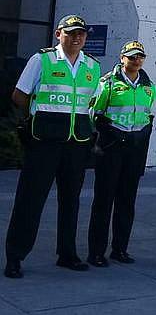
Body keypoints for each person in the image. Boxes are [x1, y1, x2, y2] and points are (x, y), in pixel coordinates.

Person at [4, 15, 101, 278]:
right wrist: (40, 118)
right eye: (71, 33)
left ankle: (67, 254)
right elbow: (19, 95)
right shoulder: (42, 60)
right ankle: (15, 256)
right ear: (58, 34)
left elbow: (89, 103)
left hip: (76, 143)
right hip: (44, 141)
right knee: (30, 199)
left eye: (81, 34)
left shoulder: (92, 66)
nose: (77, 38)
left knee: (71, 200)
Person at [87, 41, 156, 267]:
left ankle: (120, 249)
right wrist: (106, 132)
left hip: (134, 149)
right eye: (132, 56)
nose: (136, 61)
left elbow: (147, 114)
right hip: (111, 148)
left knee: (127, 200)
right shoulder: (107, 83)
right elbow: (93, 112)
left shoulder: (149, 86)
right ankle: (96, 252)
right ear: (122, 58)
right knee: (104, 200)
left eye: (140, 57)